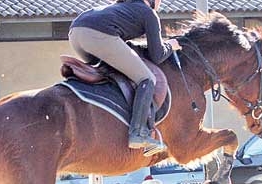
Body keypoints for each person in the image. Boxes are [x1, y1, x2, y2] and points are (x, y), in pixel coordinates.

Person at [68, 0, 181, 155]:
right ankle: (138, 133)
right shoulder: (149, 13)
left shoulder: (122, 8)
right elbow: (157, 55)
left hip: (75, 34)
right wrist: (171, 45)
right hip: (98, 35)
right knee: (147, 78)